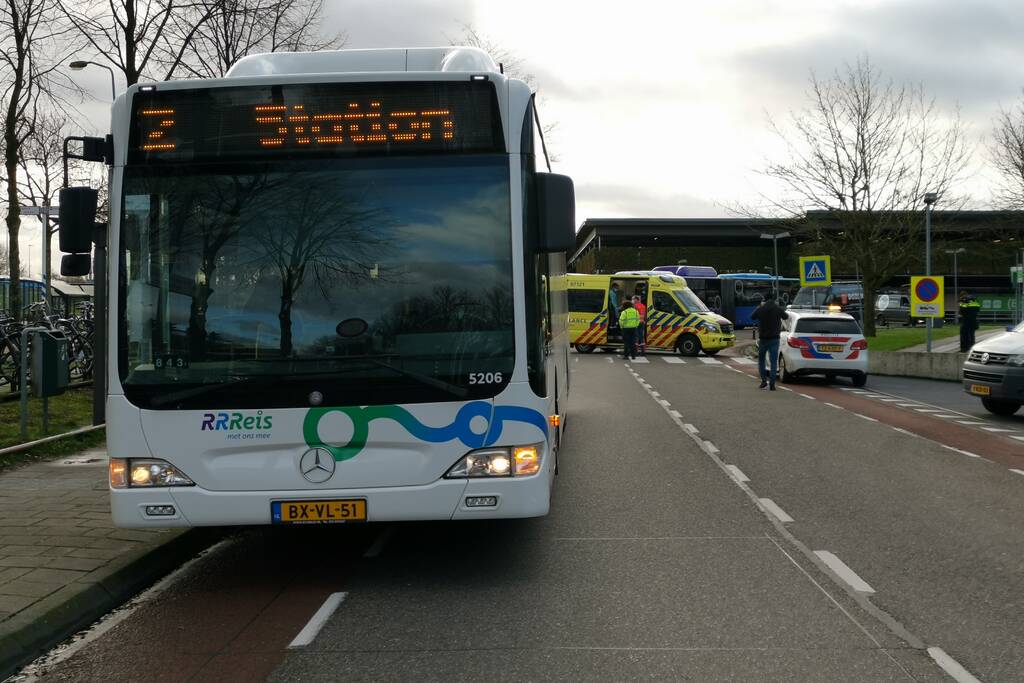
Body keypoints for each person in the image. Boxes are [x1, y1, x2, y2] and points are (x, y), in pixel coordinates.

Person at [751, 294, 788, 390]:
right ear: (774, 299)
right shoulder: (777, 309)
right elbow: (786, 316)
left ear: (764, 299)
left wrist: (759, 306)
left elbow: (752, 317)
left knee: (761, 360)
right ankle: (772, 383)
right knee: (773, 362)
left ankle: (763, 381)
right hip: (775, 339)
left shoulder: (761, 309)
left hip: (763, 339)